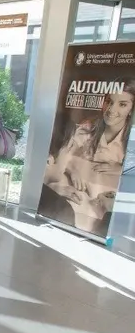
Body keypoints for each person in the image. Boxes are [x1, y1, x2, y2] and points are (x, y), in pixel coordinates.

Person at [39, 77, 134, 236]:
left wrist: (122, 169)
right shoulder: (85, 129)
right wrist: (72, 168)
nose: (111, 109)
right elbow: (60, 154)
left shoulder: (131, 140)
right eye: (109, 101)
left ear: (132, 108)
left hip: (106, 218)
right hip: (74, 208)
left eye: (122, 104)